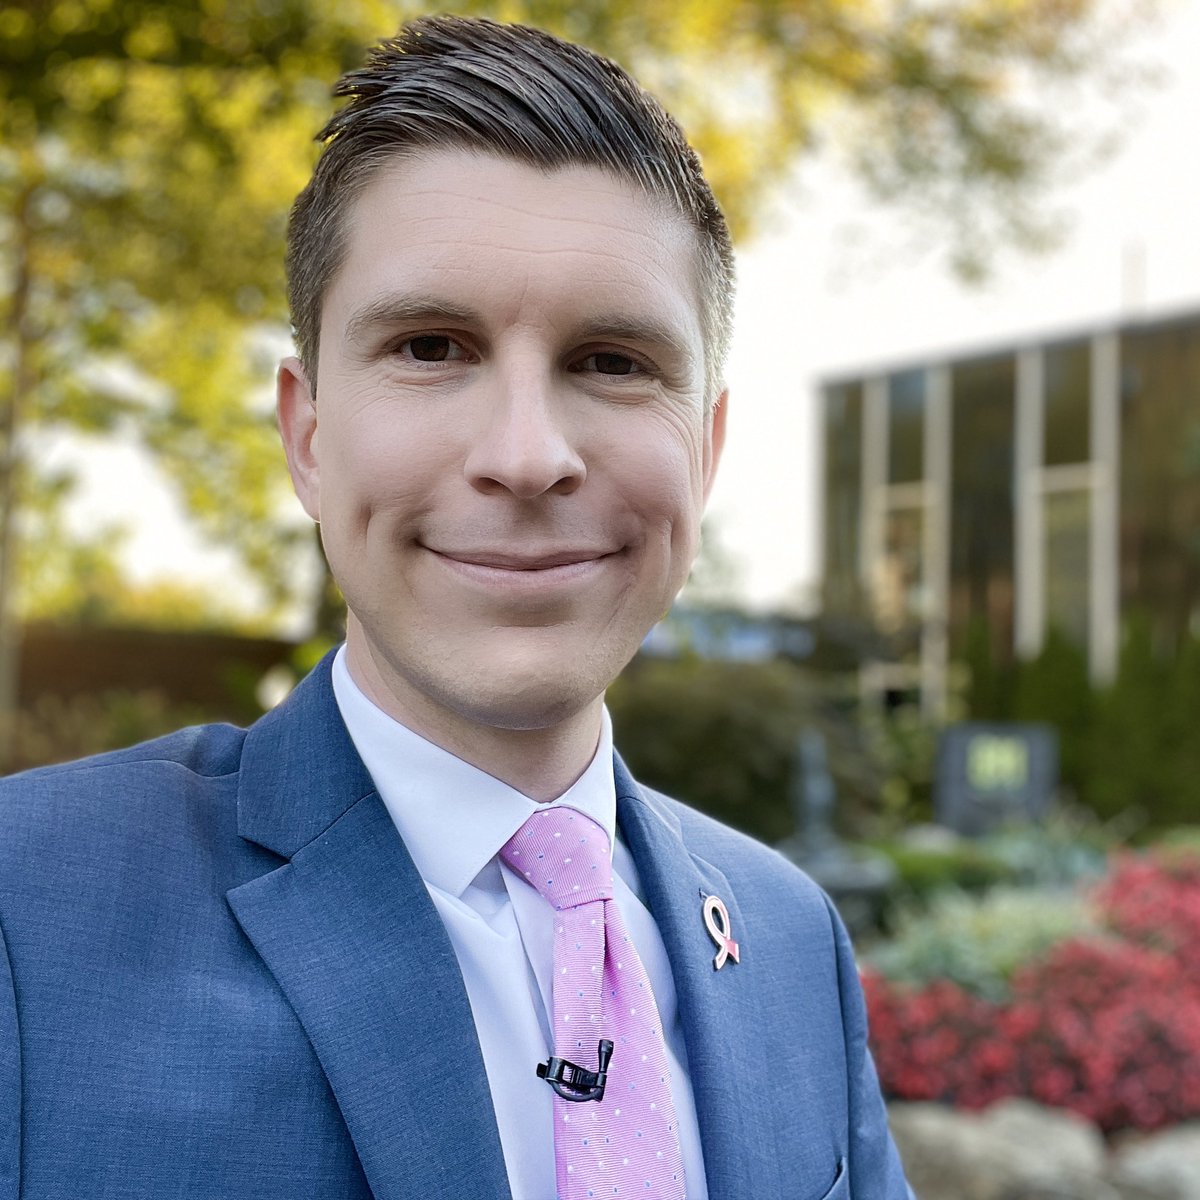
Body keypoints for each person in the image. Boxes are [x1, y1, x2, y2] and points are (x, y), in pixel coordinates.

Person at [0, 16, 911, 1200]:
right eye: (432, 346)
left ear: (708, 445)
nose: (528, 457)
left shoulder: (789, 940)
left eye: (613, 360)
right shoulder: (31, 908)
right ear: (309, 434)